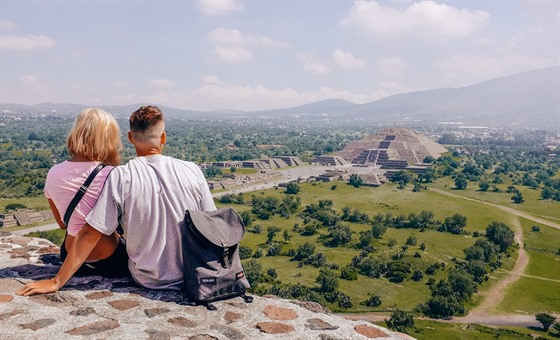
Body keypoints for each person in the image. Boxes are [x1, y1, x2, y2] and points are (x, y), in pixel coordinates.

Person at [19, 105, 216, 295]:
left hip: (91, 260)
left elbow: (73, 226)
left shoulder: (62, 173)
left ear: (130, 137)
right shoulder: (190, 169)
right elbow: (212, 223)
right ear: (163, 137)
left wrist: (58, 280)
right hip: (171, 268)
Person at [18, 108, 129, 296]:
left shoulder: (53, 172)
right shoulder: (112, 174)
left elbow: (62, 223)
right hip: (110, 257)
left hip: (69, 254)